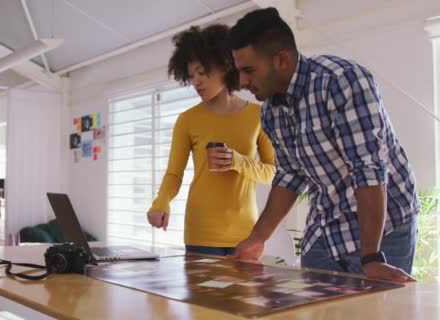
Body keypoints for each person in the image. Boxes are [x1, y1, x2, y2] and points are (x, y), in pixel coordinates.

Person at [227, 8, 419, 282]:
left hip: (384, 227)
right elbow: (290, 175)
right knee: (317, 308)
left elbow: (368, 169)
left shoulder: (342, 81)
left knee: (374, 311)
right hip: (328, 223)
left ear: (281, 59)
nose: (243, 82)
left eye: (249, 70)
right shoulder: (271, 111)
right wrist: (257, 238)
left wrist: (372, 258)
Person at [147, 24, 276, 256]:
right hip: (201, 234)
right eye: (191, 75)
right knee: (203, 295)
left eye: (202, 72)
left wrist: (238, 162)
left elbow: (272, 172)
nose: (195, 81)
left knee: (244, 294)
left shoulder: (259, 115)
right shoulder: (187, 120)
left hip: (246, 234)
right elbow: (174, 174)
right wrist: (161, 202)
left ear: (226, 65)